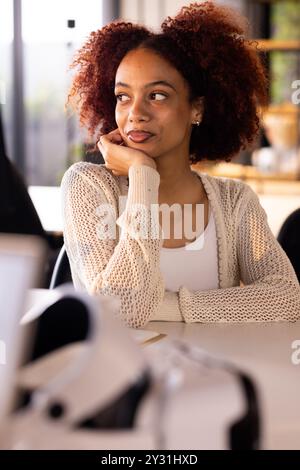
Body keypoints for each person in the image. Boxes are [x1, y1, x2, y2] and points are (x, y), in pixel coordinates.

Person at [62, 1, 300, 328]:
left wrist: (171, 305)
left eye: (157, 95)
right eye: (123, 96)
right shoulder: (88, 186)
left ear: (197, 109)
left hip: (211, 375)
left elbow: (287, 298)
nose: (136, 113)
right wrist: (143, 176)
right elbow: (118, 310)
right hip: (121, 377)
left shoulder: (235, 203)